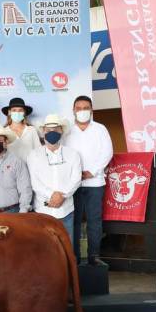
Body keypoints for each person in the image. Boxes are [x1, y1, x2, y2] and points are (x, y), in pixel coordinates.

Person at [65, 95, 113, 265]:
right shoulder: (67, 132)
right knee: (74, 220)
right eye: (79, 108)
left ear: (91, 110)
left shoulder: (100, 129)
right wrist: (75, 174)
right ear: (73, 110)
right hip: (73, 184)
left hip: (95, 182)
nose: (82, 111)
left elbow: (107, 152)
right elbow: (64, 156)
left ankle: (94, 255)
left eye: (86, 108)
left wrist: (92, 171)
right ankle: (75, 257)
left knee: (94, 220)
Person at [27, 115, 82, 242]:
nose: (52, 133)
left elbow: (76, 179)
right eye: (48, 130)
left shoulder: (73, 154)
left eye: (56, 129)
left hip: (66, 209)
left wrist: (62, 196)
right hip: (43, 210)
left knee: (67, 247)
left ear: (61, 131)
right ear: (43, 132)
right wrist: (52, 195)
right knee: (45, 249)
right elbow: (35, 182)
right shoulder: (34, 155)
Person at [2, 97, 42, 161]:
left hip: (30, 167)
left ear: (24, 113)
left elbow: (39, 150)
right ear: (9, 112)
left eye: (20, 110)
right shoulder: (4, 132)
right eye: (14, 110)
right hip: (11, 168)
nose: (17, 113)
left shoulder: (31, 130)